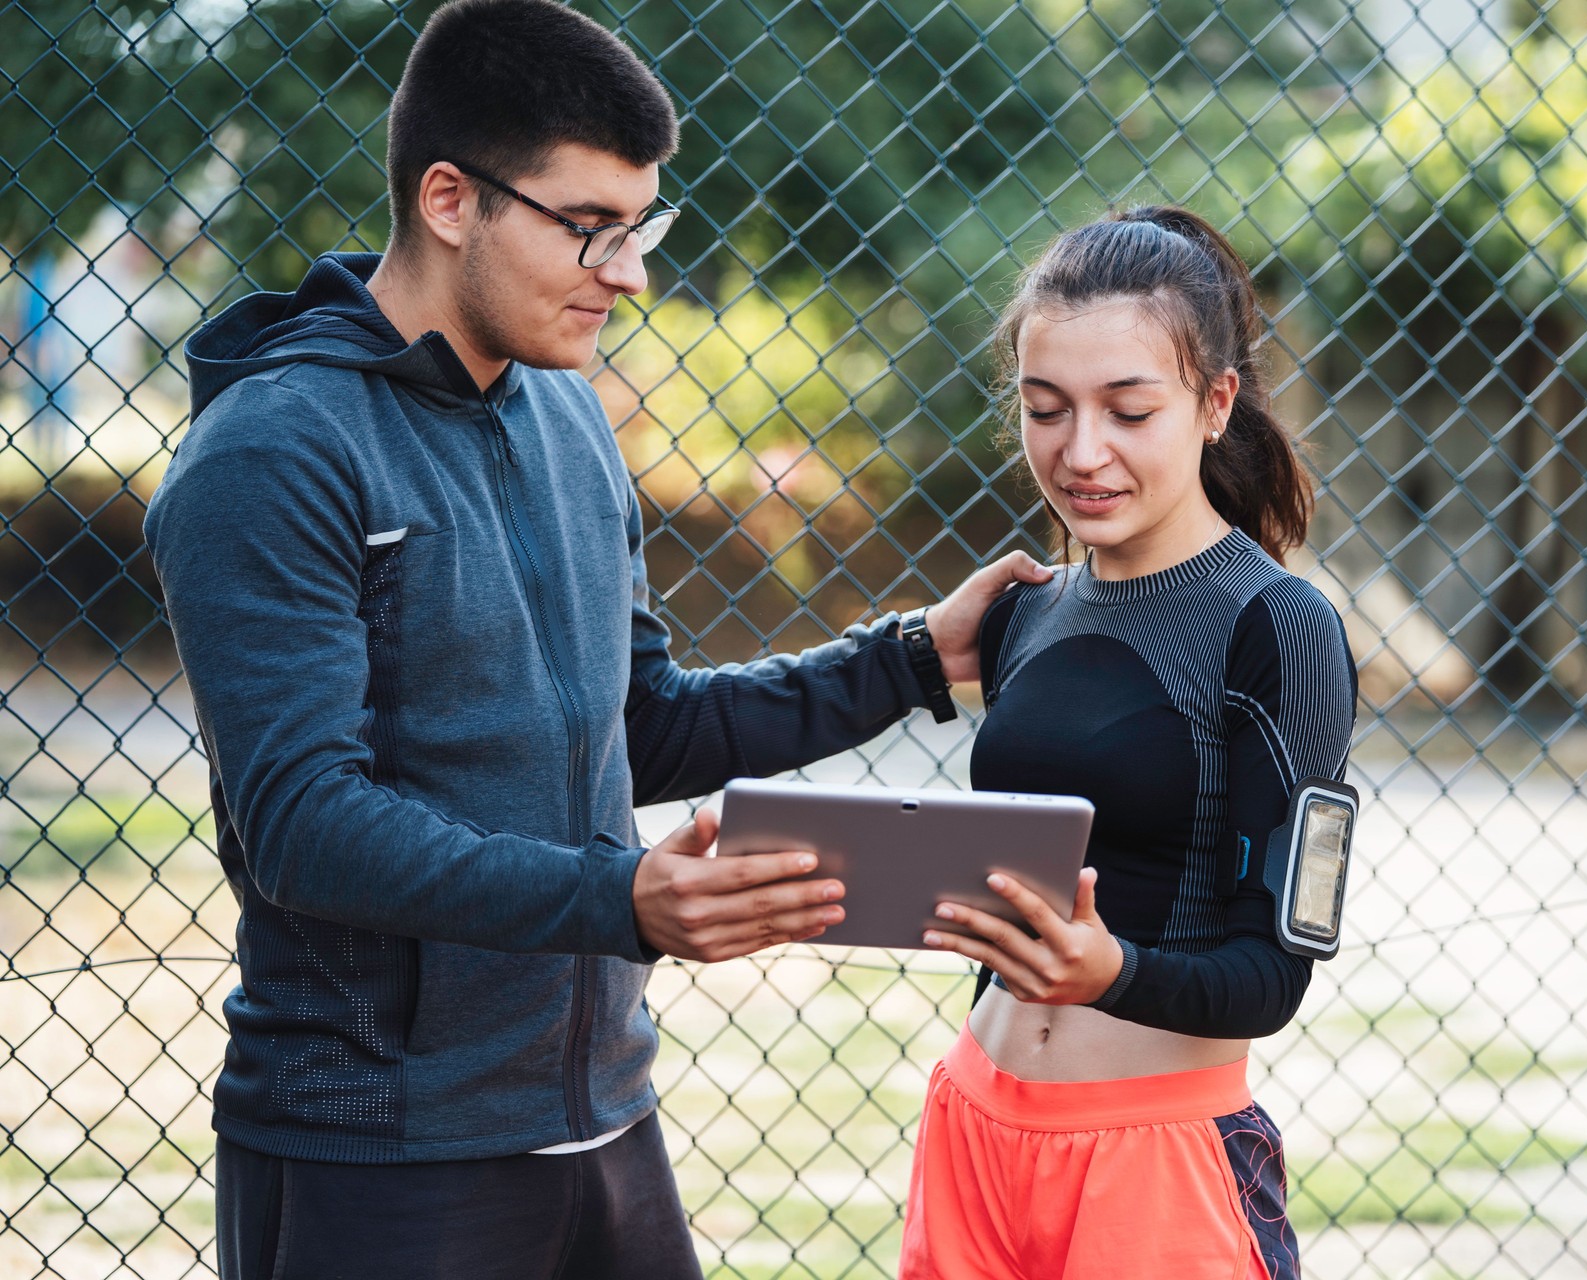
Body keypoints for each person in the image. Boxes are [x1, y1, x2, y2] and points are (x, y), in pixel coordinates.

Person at [141, 1, 1050, 1275]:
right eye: (592, 230)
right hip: (378, 1149)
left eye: (642, 229)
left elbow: (644, 721)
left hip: (606, 1119)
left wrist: (909, 659)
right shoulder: (274, 450)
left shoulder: (567, 420)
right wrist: (620, 896)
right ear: (452, 199)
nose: (630, 274)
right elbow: (304, 824)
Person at [898, 206, 1359, 1280]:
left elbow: (1274, 976)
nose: (1081, 452)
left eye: (1129, 409)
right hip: (974, 1124)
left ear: (1214, 405)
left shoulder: (1279, 625)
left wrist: (1110, 970)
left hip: (1157, 1162)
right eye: (1045, 408)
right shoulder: (1021, 612)